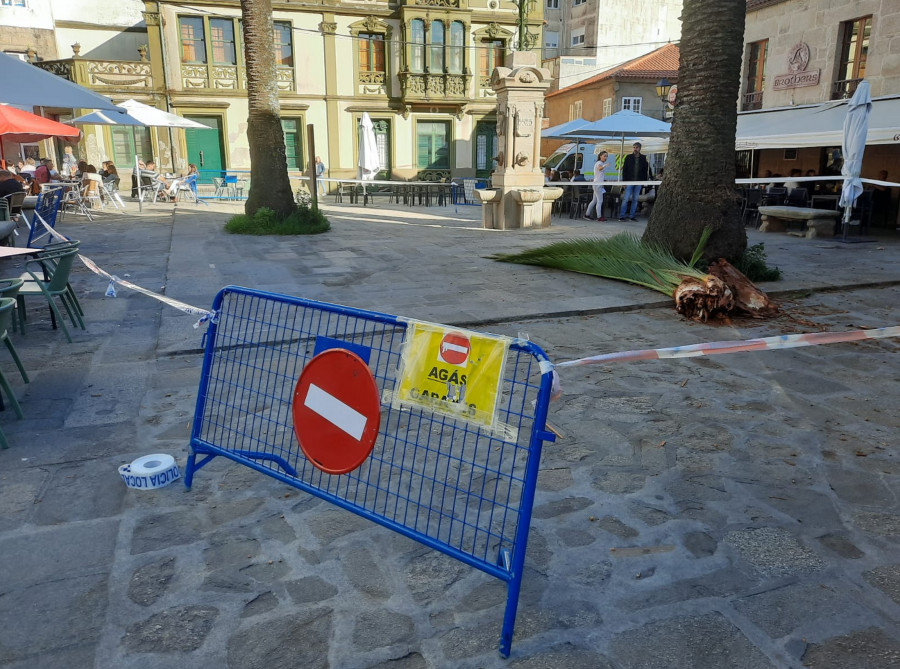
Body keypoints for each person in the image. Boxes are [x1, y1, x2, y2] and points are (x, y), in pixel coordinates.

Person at [618, 142, 652, 221]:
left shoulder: (643, 158)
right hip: (629, 181)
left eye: (636, 147)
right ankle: (622, 216)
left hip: (639, 181)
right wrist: (624, 182)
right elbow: (625, 170)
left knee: (635, 199)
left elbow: (647, 169)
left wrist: (649, 178)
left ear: (640, 148)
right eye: (634, 147)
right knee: (626, 199)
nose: (635, 149)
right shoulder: (628, 157)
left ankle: (631, 216)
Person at [584, 150, 609, 221]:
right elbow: (600, 168)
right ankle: (599, 216)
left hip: (597, 184)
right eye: (604, 156)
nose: (606, 158)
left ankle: (587, 214)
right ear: (600, 156)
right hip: (598, 184)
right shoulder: (599, 163)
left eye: (606, 156)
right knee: (600, 201)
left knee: (594, 201)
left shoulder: (599, 163)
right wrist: (605, 165)